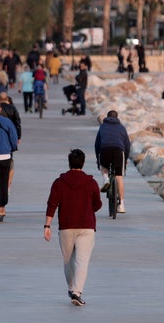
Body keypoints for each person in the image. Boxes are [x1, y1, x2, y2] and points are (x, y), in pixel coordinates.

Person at [43, 149, 102, 306]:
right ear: (83, 163)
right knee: (82, 261)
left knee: (68, 260)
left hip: (66, 227)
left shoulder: (59, 183)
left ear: (69, 163)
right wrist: (89, 209)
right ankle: (76, 291)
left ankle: (73, 288)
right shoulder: (91, 183)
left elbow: (52, 204)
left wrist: (47, 225)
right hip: (87, 226)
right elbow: (98, 204)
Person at [94, 110, 131, 214]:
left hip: (105, 149)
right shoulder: (122, 127)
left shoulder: (102, 126)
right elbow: (127, 145)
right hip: (119, 150)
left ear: (107, 117)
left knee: (104, 165)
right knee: (119, 176)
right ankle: (122, 205)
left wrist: (98, 160)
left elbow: (97, 145)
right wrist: (126, 159)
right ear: (117, 117)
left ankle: (106, 179)